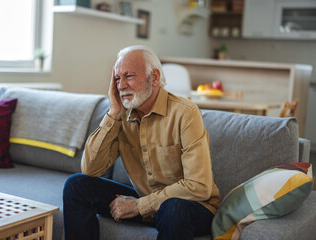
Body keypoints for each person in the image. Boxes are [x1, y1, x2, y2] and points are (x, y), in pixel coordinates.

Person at [63, 45, 220, 240]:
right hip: (147, 201)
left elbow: (199, 186)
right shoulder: (121, 116)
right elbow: (90, 169)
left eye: (128, 76)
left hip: (191, 207)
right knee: (76, 185)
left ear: (154, 78)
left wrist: (139, 206)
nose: (121, 86)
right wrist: (113, 115)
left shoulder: (186, 113)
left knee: (173, 208)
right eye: (118, 79)